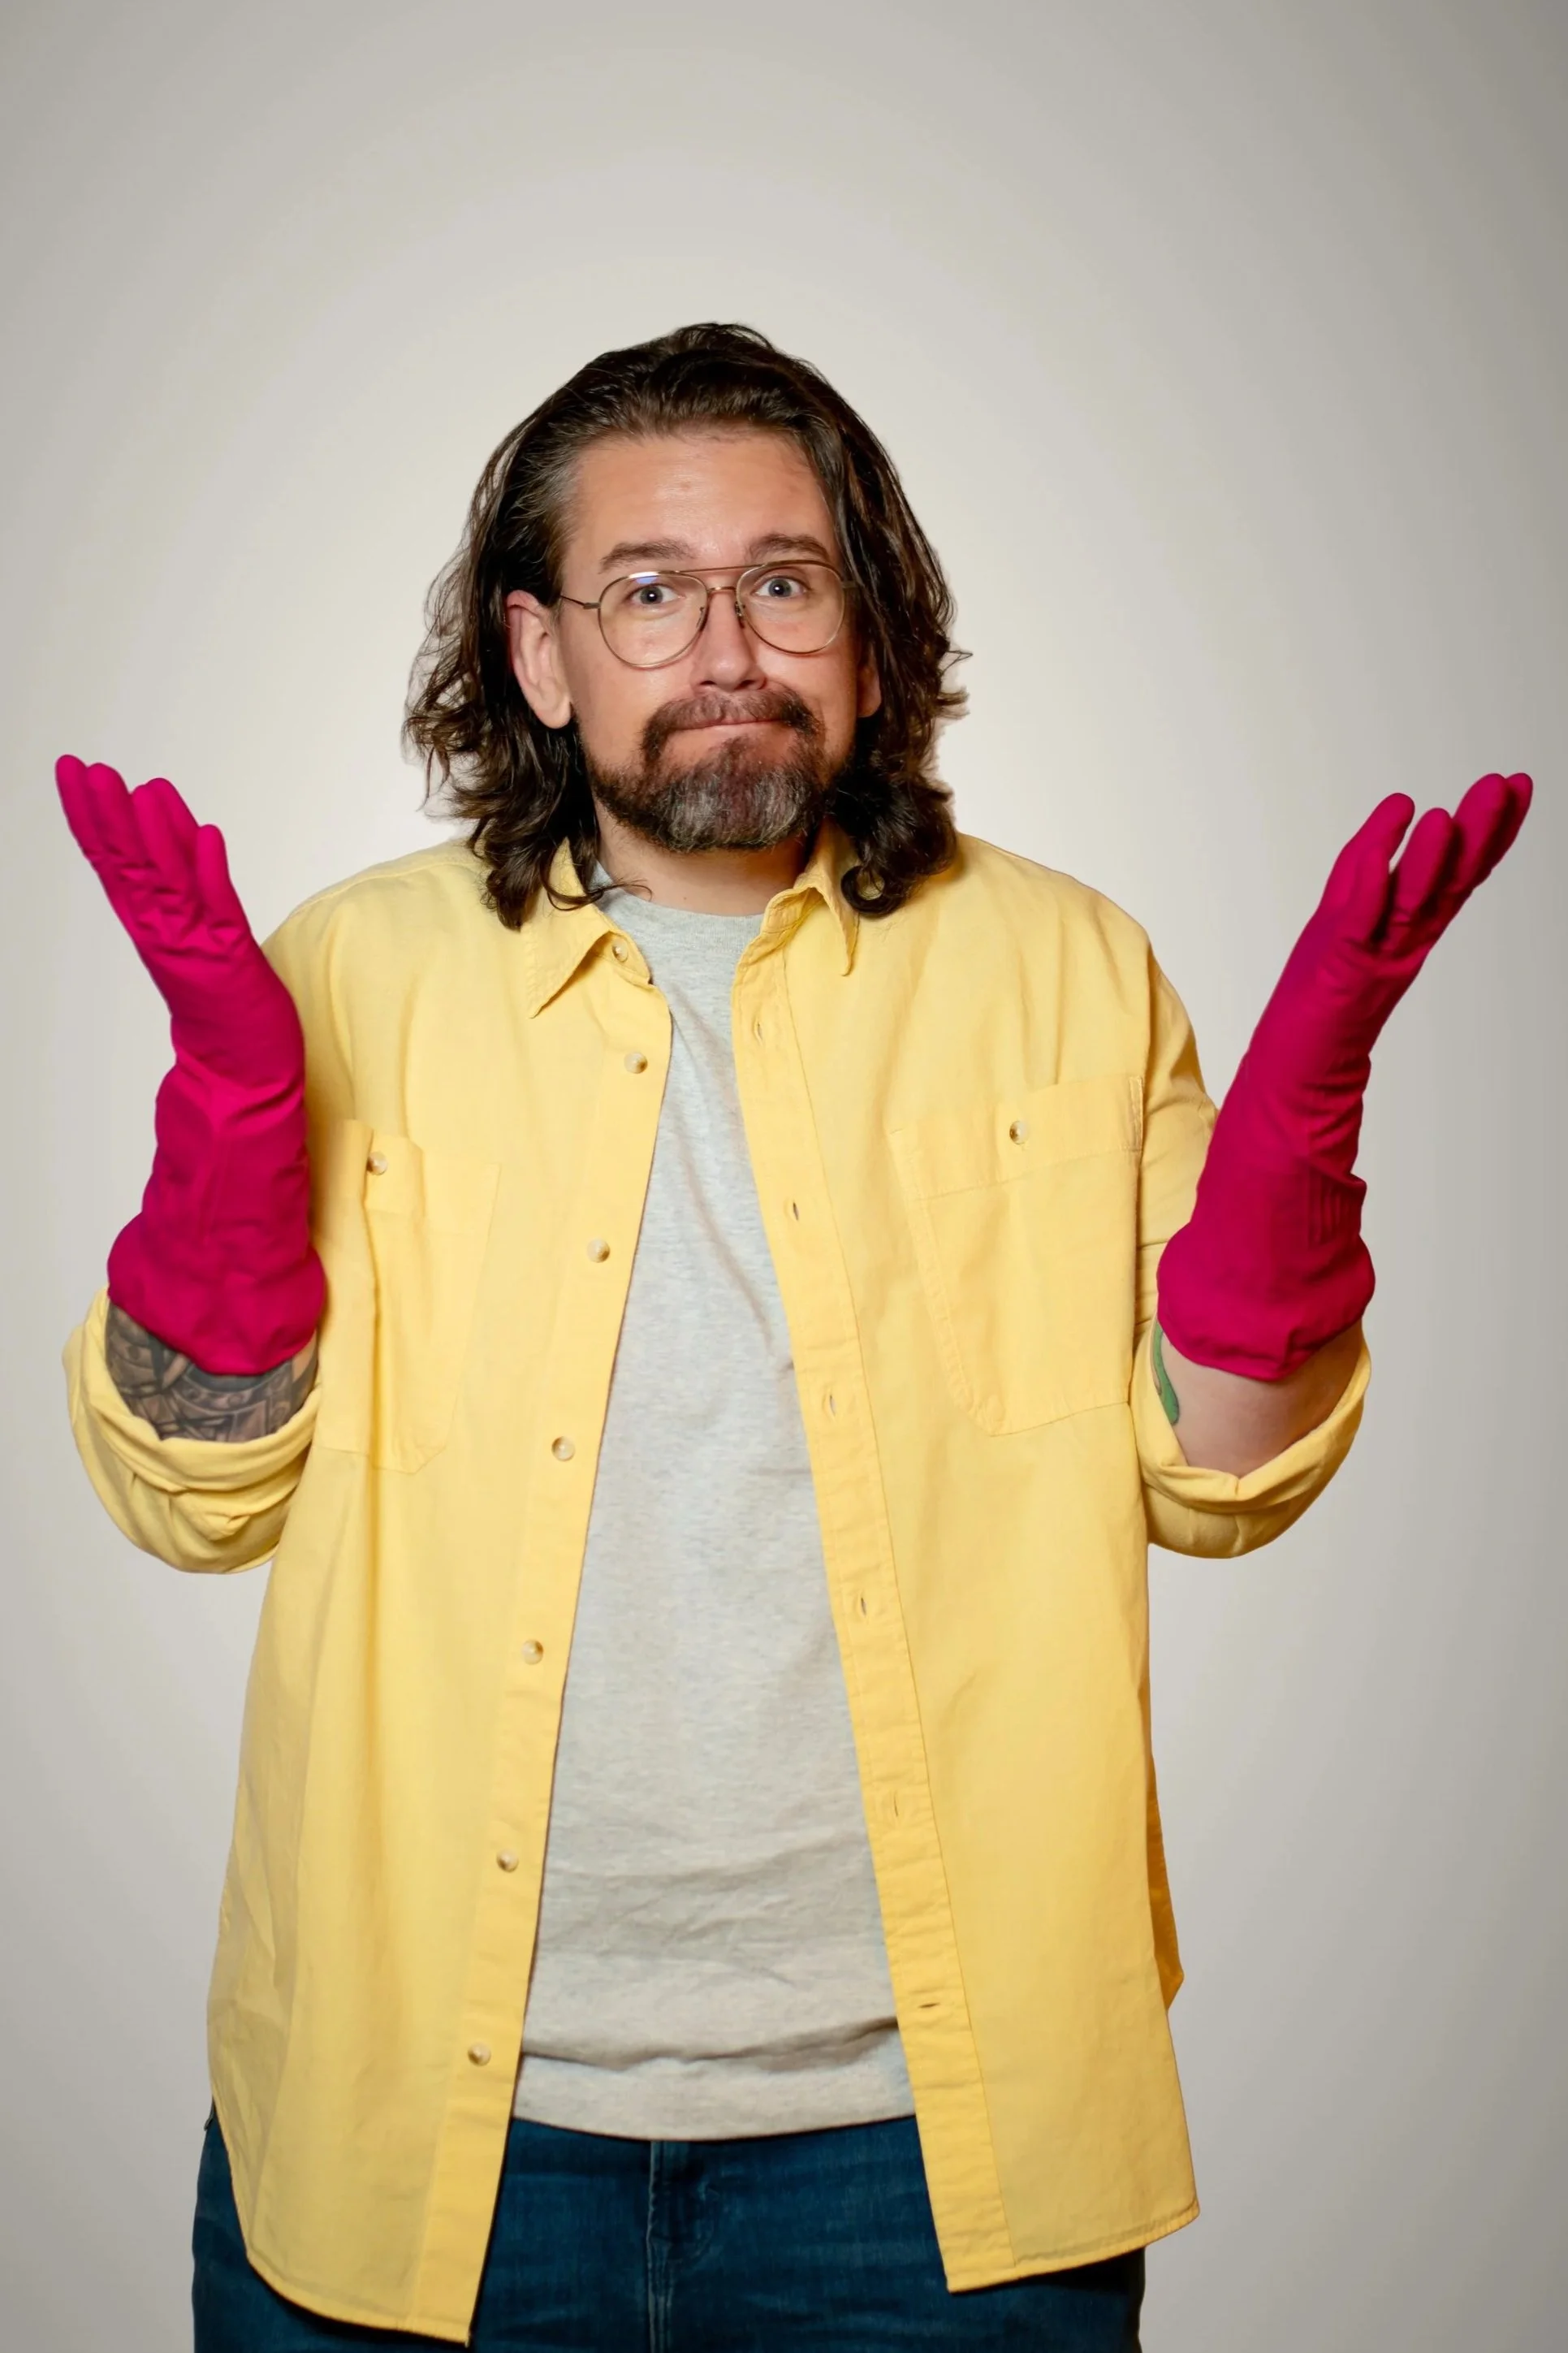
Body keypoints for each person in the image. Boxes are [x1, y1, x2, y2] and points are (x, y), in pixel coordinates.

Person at [58, 322, 1530, 2352]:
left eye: (783, 580)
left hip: (926, 2153)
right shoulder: (348, 974)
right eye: (646, 592)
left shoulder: (1066, 972)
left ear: (867, 623)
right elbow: (195, 1494)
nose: (724, 646)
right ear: (540, 652)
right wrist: (235, 1128)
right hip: (422, 2126)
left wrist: (1298, 1135)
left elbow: (1217, 1470)